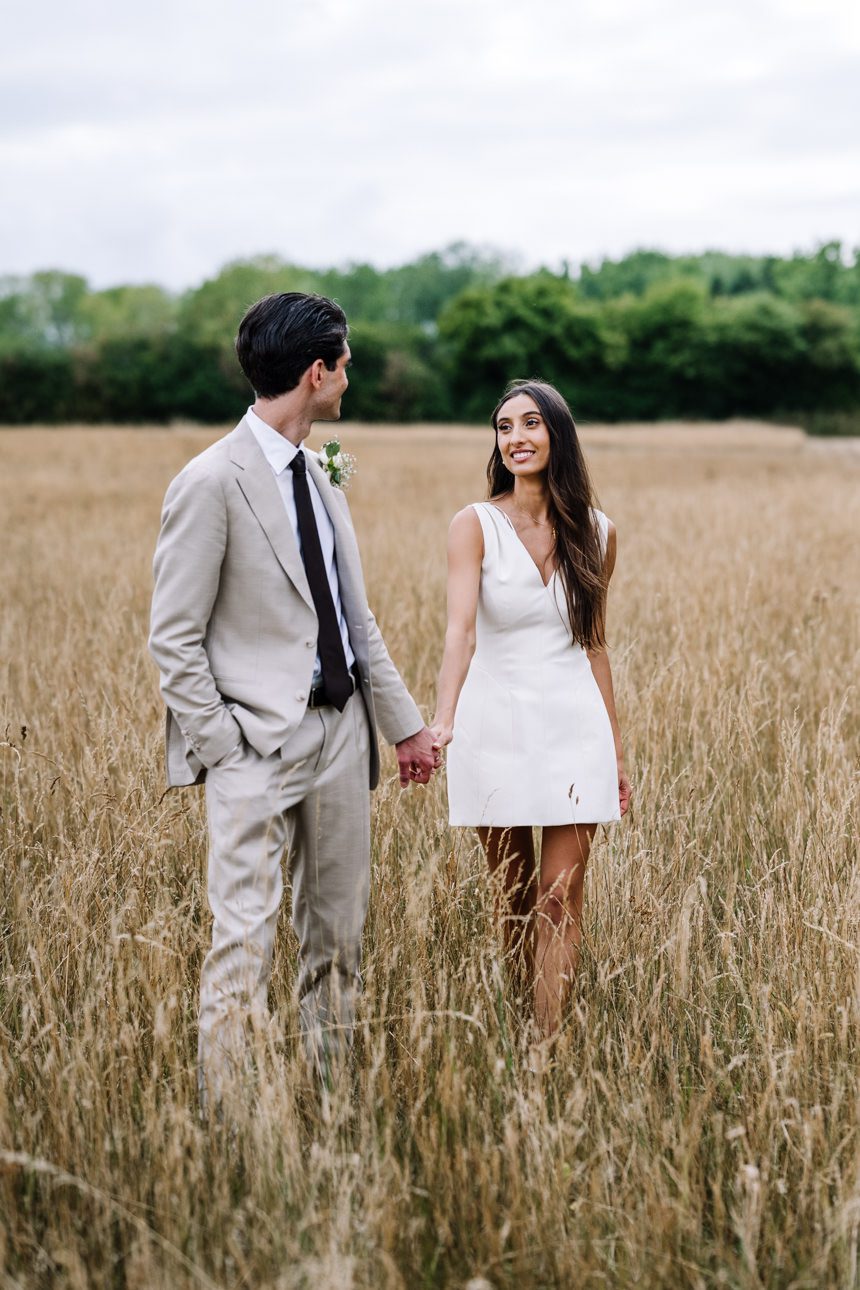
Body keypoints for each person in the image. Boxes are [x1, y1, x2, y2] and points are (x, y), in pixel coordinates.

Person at [148, 291, 438, 1107]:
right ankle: (236, 1136)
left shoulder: (320, 472)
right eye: (345, 363)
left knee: (336, 941)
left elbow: (353, 618)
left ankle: (333, 1108)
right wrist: (227, 748)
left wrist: (403, 728)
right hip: (255, 749)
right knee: (242, 944)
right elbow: (174, 636)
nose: (351, 376)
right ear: (318, 372)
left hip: (345, 737)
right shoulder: (208, 482)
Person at [431, 380, 631, 1041]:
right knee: (514, 900)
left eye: (530, 424)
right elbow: (460, 631)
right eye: (503, 426)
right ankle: (518, 1028)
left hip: (575, 731)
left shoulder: (598, 532)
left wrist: (617, 752)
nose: (515, 437)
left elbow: (595, 645)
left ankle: (547, 1049)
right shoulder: (475, 524)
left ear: (558, 435)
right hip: (495, 727)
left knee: (558, 898)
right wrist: (443, 720)